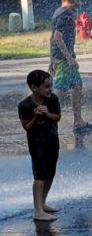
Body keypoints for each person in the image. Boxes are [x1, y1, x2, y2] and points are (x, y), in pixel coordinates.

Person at [49, 0, 92, 135]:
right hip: (65, 59)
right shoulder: (65, 15)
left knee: (76, 85)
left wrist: (52, 59)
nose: (80, 3)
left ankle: (78, 122)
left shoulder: (59, 12)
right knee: (60, 90)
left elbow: (52, 37)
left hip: (61, 57)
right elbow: (57, 37)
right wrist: (69, 58)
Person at [18, 70, 62, 221]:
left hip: (52, 140)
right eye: (47, 86)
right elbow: (28, 127)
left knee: (50, 173)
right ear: (34, 88)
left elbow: (57, 117)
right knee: (40, 174)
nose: (50, 89)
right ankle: (37, 211)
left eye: (51, 85)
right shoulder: (24, 105)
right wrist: (36, 117)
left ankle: (42, 204)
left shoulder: (52, 99)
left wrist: (46, 114)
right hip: (37, 143)